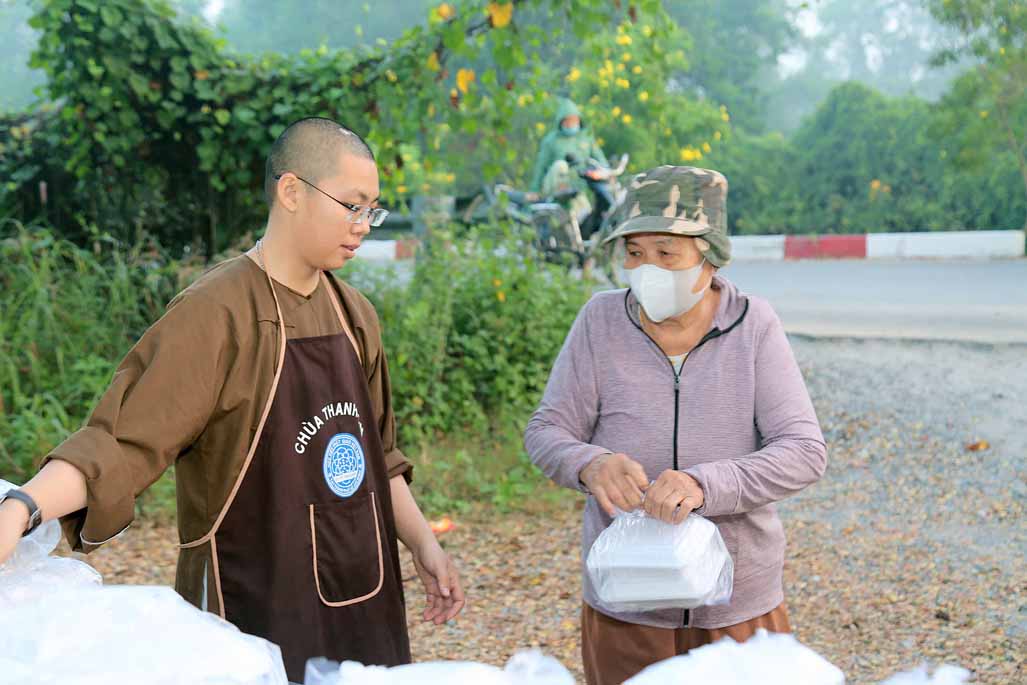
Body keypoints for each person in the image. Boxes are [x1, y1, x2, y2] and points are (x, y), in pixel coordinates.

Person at [0, 117, 465, 682]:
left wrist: (423, 545)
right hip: (251, 604)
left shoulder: (355, 316)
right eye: (352, 206)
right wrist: (21, 509)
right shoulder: (217, 312)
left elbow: (378, 459)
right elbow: (121, 444)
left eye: (373, 211)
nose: (363, 225)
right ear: (291, 192)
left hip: (364, 592)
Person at [524, 165, 827, 685]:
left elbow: (803, 450)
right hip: (627, 600)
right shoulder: (600, 322)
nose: (647, 269)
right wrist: (590, 464)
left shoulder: (753, 324)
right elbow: (546, 429)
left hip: (737, 604)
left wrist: (704, 485)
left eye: (667, 253)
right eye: (634, 252)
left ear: (710, 257)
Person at [529, 98, 614, 238]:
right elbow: (541, 167)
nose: (571, 124)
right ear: (561, 121)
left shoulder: (586, 138)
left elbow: (600, 160)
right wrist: (534, 190)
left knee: (587, 222)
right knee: (561, 166)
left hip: (577, 189)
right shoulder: (552, 141)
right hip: (555, 185)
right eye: (568, 121)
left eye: (574, 120)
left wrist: (607, 173)